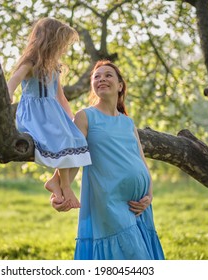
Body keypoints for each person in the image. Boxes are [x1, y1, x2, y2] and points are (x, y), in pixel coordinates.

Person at [51, 60, 165, 260]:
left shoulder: (128, 122)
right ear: (93, 86)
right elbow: (72, 158)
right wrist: (60, 189)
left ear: (120, 86)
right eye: (97, 76)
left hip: (139, 207)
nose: (101, 78)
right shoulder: (85, 116)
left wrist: (149, 194)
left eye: (108, 75)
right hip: (109, 202)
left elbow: (140, 160)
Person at [7, 18, 91, 208]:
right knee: (62, 139)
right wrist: (9, 93)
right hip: (35, 116)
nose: (63, 49)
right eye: (61, 44)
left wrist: (70, 120)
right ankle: (66, 188)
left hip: (52, 115)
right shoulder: (30, 62)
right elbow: (14, 79)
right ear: (50, 41)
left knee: (77, 139)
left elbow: (60, 98)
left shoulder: (55, 67)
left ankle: (56, 182)